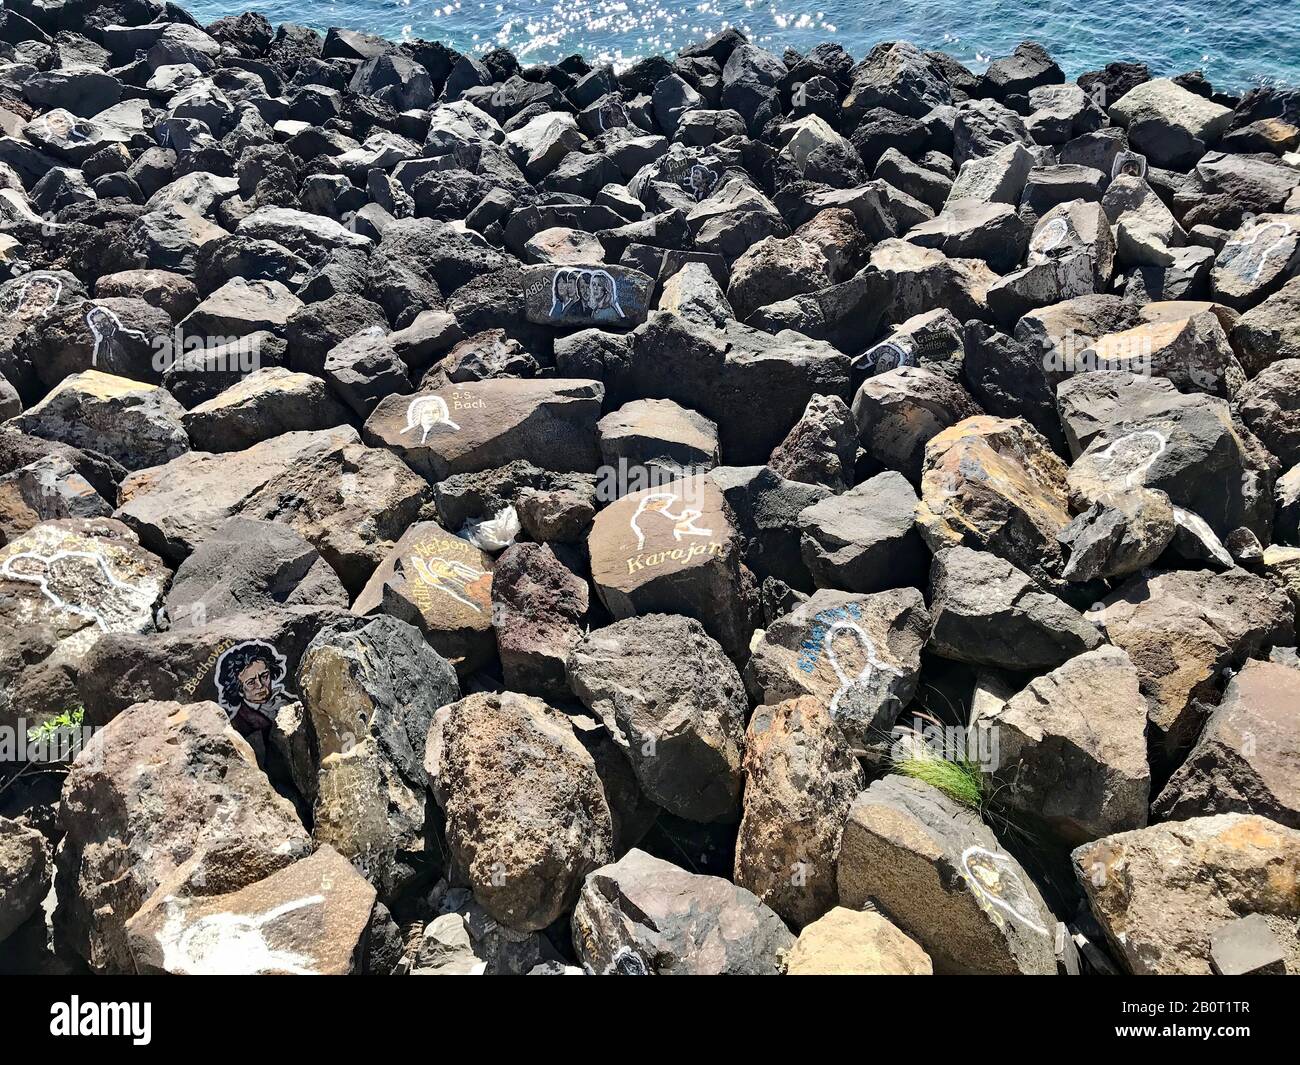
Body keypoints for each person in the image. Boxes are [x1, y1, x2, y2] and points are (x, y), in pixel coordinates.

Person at [215, 640, 290, 736]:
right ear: (239, 690)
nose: (260, 685)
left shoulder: (287, 699)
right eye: (251, 682)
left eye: (264, 676)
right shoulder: (240, 725)